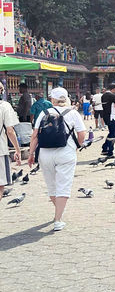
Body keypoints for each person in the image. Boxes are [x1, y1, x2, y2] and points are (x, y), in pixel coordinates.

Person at [28, 87, 86, 231]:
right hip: (66, 152)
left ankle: (58, 212)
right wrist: (77, 146)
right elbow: (82, 134)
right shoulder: (73, 113)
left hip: (45, 153)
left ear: (52, 99)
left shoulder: (43, 113)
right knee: (63, 185)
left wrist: (30, 154)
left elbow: (34, 136)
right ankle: (58, 219)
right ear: (66, 98)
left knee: (51, 186)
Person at [0, 97, 21, 198]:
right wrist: (17, 149)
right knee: (0, 185)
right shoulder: (4, 106)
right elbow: (10, 131)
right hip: (0, 150)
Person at [101, 83, 115, 157]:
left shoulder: (103, 95)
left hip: (106, 116)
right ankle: (110, 152)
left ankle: (104, 148)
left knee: (111, 133)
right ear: (113, 89)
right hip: (112, 116)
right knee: (113, 135)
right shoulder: (112, 95)